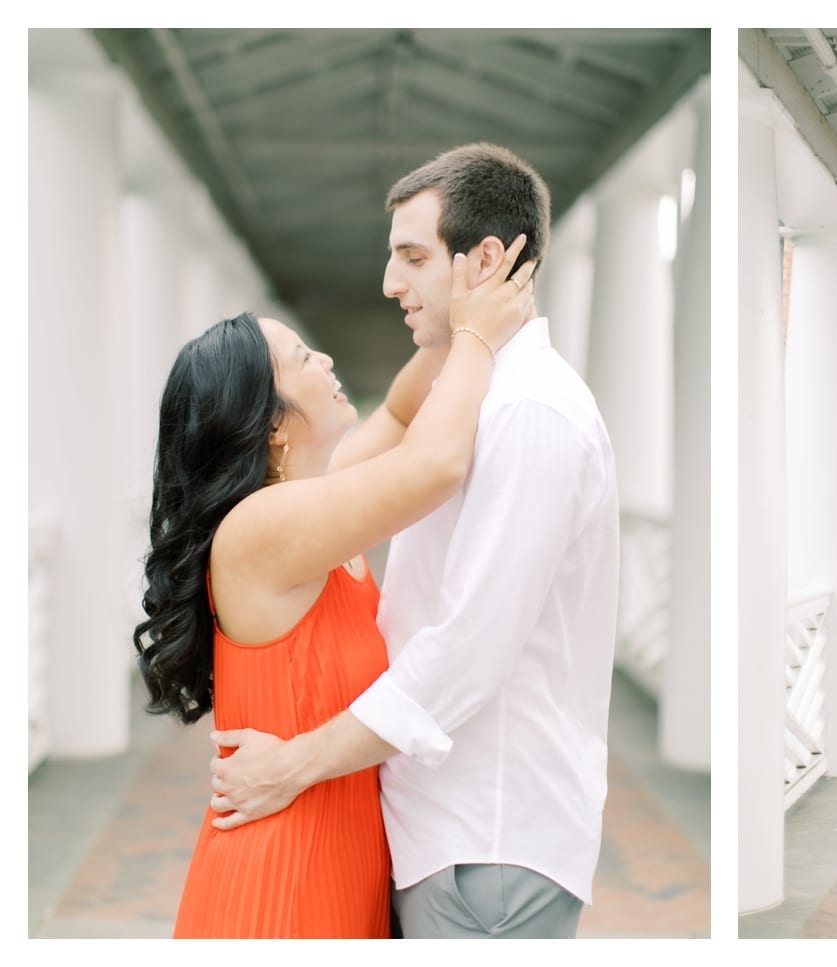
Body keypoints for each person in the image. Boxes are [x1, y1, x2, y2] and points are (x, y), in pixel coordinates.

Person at [206, 143, 622, 940]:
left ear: (487, 260)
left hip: (485, 838)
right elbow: (415, 439)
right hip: (432, 833)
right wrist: (463, 338)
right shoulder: (468, 405)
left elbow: (468, 647)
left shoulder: (528, 413)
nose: (390, 283)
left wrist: (291, 764)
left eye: (411, 256)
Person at [133, 239, 537, 937]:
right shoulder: (259, 529)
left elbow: (406, 414)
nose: (324, 359)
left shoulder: (312, 501)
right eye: (300, 359)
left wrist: (454, 303)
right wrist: (477, 333)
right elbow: (435, 460)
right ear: (273, 427)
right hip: (280, 884)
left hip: (336, 859)